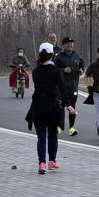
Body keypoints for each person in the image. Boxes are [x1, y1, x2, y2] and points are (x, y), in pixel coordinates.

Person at [26, 42, 75, 174]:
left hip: (37, 107)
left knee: (41, 137)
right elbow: (63, 89)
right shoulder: (56, 71)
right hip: (52, 107)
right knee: (52, 135)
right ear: (52, 55)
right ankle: (52, 161)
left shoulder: (36, 71)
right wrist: (69, 105)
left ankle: (41, 164)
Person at [53, 37, 84, 135]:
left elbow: (81, 64)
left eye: (71, 43)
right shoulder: (59, 57)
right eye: (67, 43)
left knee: (72, 107)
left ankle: (72, 128)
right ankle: (59, 127)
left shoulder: (76, 55)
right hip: (61, 87)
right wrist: (63, 70)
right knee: (61, 107)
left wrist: (81, 70)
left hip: (73, 86)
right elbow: (54, 70)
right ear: (63, 45)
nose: (70, 45)